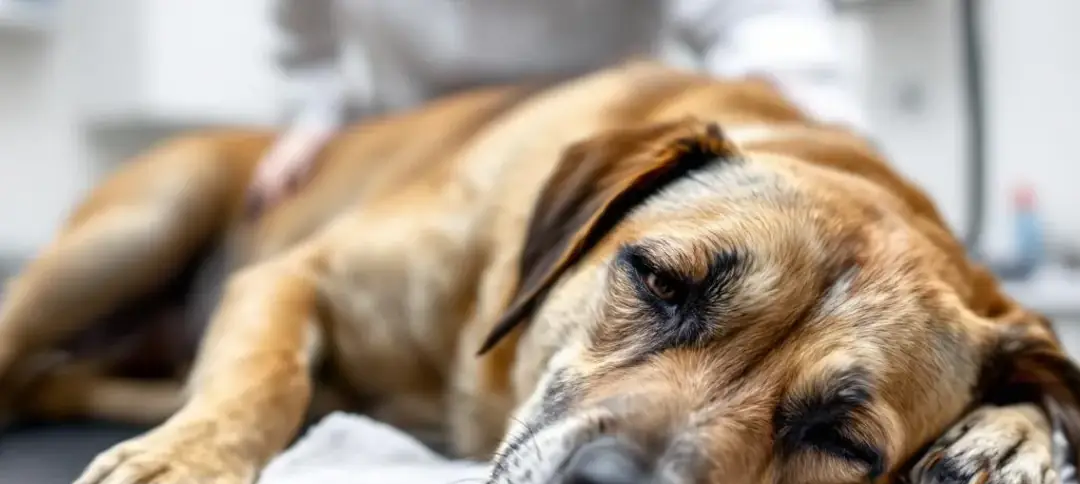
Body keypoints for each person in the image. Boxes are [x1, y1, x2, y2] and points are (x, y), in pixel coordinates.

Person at [248, 0, 866, 214]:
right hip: (408, 142)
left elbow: (759, 19)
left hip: (583, 151)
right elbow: (304, 39)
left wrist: (804, 100)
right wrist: (313, 112)